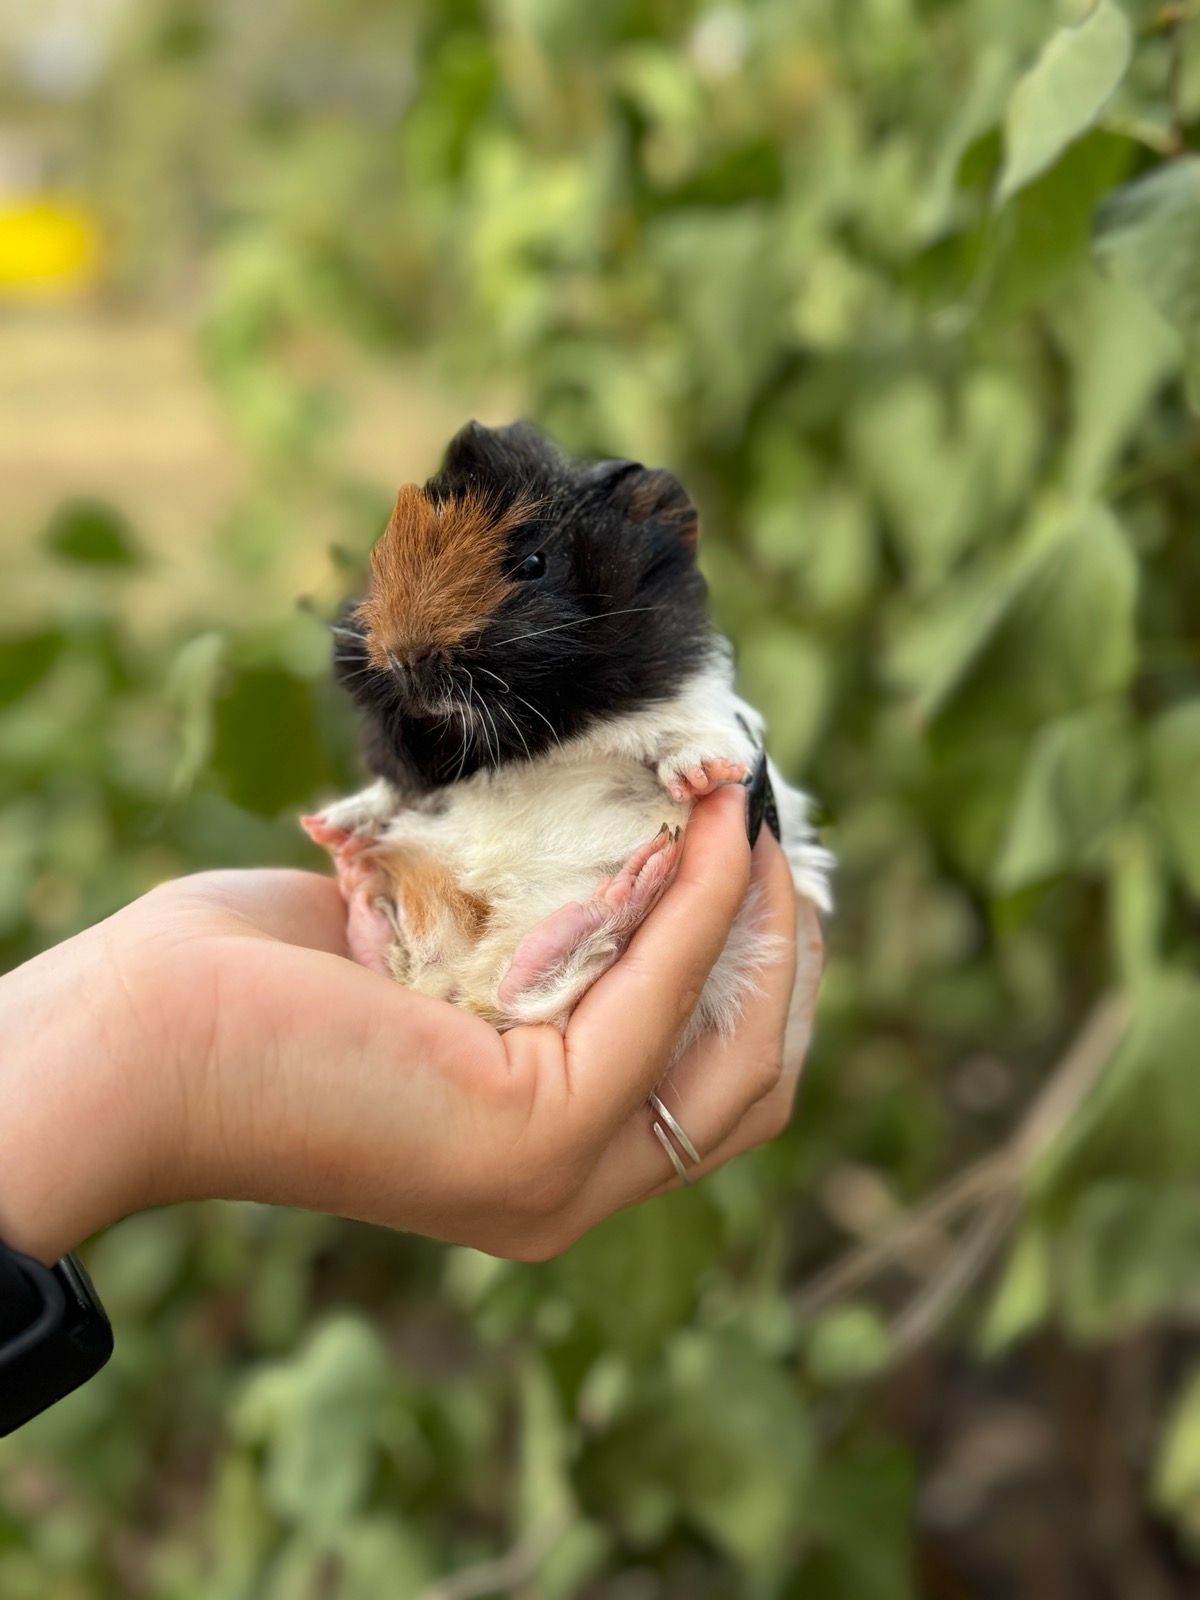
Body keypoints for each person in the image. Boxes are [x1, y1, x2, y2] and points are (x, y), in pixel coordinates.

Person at [0, 786, 821, 1267]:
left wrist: (157, 1032)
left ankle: (531, 948)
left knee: (496, 970)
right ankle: (534, 947)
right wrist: (166, 1041)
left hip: (488, 946)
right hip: (489, 948)